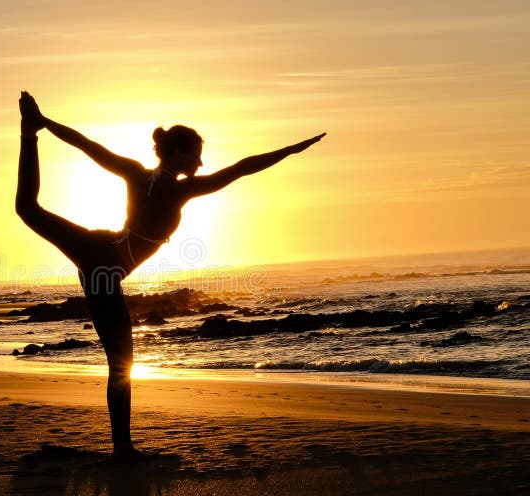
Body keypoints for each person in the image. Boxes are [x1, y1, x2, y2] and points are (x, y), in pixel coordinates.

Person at [16, 91, 324, 460]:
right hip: (104, 265)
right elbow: (242, 167)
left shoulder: (134, 171)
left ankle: (28, 134)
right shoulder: (182, 190)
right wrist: (291, 150)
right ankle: (123, 450)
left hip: (96, 248)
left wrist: (44, 123)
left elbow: (87, 145)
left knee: (27, 208)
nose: (201, 161)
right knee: (120, 363)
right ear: (178, 154)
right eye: (195, 154)